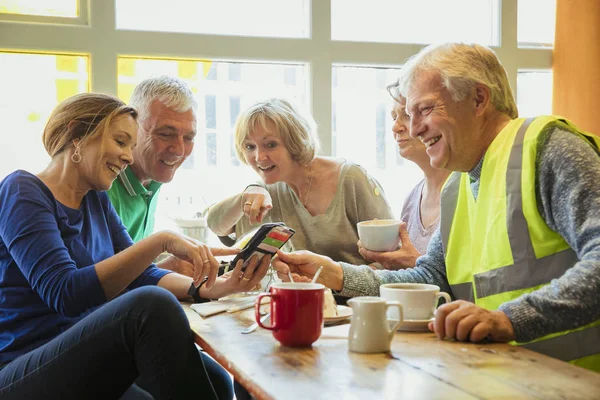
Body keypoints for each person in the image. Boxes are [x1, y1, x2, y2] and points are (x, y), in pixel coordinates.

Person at [272, 43, 600, 372]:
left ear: (479, 99)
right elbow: (432, 278)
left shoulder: (549, 147)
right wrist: (337, 275)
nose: (413, 129)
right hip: (501, 379)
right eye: (409, 114)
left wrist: (509, 319)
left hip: (573, 382)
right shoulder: (458, 185)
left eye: (425, 110)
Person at [0, 93, 271, 399]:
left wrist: (208, 288)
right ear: (77, 134)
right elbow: (65, 293)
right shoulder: (22, 191)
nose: (129, 156)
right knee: (149, 306)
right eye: (120, 141)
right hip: (24, 368)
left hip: (84, 356)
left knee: (219, 383)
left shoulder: (96, 199)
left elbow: (141, 275)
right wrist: (161, 241)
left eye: (131, 145)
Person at [206, 98, 394, 266]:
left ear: (295, 141)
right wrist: (243, 198)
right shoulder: (266, 189)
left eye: (270, 144)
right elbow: (216, 225)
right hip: (300, 296)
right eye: (249, 146)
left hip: (358, 300)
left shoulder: (352, 178)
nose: (259, 157)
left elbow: (391, 259)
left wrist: (339, 283)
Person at [107, 75, 198, 277]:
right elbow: (94, 289)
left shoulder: (153, 178)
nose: (179, 150)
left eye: (189, 137)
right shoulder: (103, 188)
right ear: (132, 127)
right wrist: (166, 269)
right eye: (165, 134)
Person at [357, 81, 451, 270]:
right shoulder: (413, 198)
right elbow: (406, 274)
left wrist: (415, 263)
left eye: (406, 115)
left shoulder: (464, 191)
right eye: (393, 117)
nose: (395, 128)